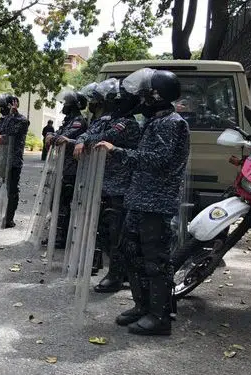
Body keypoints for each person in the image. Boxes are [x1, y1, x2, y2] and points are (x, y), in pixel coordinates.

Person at [96, 68, 189, 336]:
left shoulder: (172, 123)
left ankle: (159, 317)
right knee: (131, 252)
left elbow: (158, 160)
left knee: (155, 260)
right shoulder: (156, 121)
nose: (141, 101)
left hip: (156, 203)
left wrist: (119, 151)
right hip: (139, 199)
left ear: (157, 96)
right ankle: (142, 306)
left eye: (145, 96)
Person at [74, 78, 141, 293]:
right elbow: (88, 132)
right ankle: (115, 271)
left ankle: (117, 275)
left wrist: (85, 140)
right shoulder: (109, 119)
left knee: (117, 232)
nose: (105, 104)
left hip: (121, 186)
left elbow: (105, 136)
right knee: (107, 229)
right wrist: (81, 140)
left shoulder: (127, 123)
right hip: (106, 183)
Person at [45, 91, 88, 249]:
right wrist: (51, 134)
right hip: (61, 167)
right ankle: (55, 233)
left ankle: (62, 237)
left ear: (73, 106)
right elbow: (58, 134)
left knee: (64, 203)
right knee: (54, 202)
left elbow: (65, 137)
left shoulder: (78, 121)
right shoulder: (68, 120)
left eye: (66, 103)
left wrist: (53, 137)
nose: (63, 106)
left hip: (71, 169)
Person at [0, 94, 30, 228]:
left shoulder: (22, 120)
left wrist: (13, 114)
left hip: (13, 162)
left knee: (12, 191)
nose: (1, 110)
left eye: (3, 107)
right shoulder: (1, 120)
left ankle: (8, 219)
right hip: (0, 160)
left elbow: (11, 132)